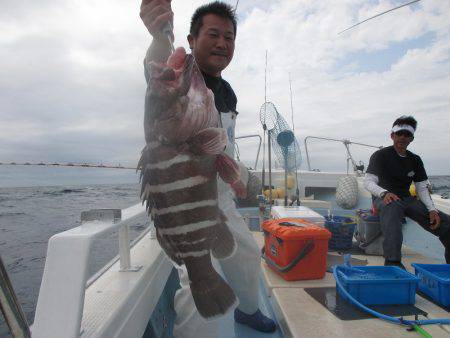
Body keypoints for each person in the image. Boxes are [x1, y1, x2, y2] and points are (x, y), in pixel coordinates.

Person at [139, 0, 276, 336]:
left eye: (229, 37)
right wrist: (158, 34)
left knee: (245, 255)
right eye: (213, 34)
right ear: (191, 38)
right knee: (200, 274)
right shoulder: (179, 73)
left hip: (218, 193)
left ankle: (248, 310)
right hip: (186, 203)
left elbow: (222, 142)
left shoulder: (225, 91)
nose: (222, 43)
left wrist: (238, 173)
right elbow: (155, 63)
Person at [364, 115, 450, 268]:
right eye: (399, 133)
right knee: (393, 206)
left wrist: (432, 209)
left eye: (407, 134)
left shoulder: (415, 160)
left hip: (407, 199)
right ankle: (392, 262)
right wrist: (384, 193)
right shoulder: (380, 155)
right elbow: (368, 182)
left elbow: (422, 188)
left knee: (446, 223)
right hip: (383, 198)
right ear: (392, 136)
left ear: (411, 138)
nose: (403, 137)